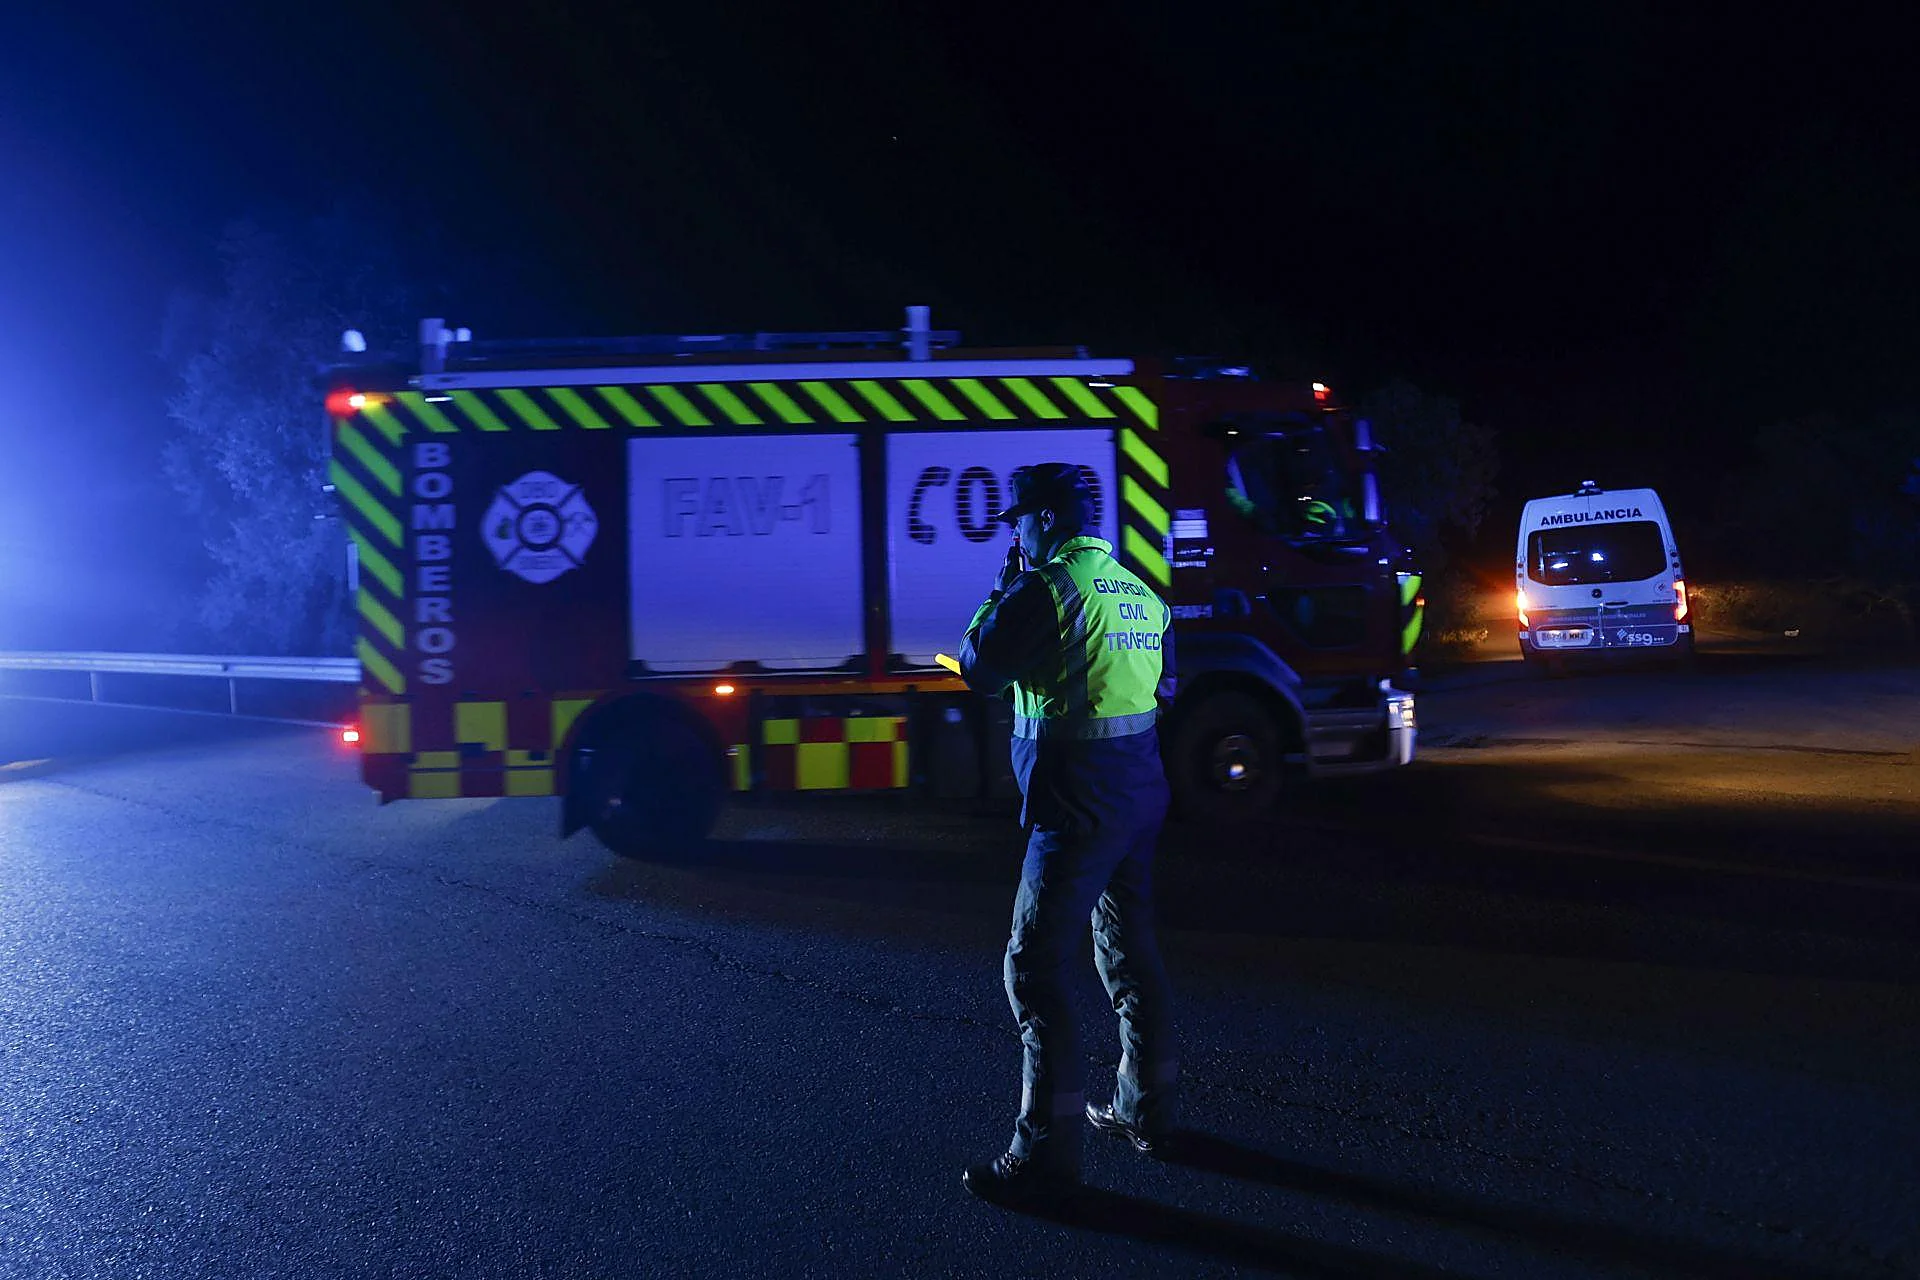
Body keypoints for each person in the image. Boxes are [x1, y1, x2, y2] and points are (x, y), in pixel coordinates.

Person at [956, 462, 1179, 1204]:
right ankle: (1146, 1111)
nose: (1016, 533)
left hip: (1074, 807)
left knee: (1033, 968)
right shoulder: (1140, 593)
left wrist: (999, 590)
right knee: (1130, 952)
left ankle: (1045, 1157)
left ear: (1046, 519)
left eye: (1019, 520)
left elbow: (980, 670)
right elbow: (1161, 689)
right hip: (1139, 797)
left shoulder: (1045, 590)